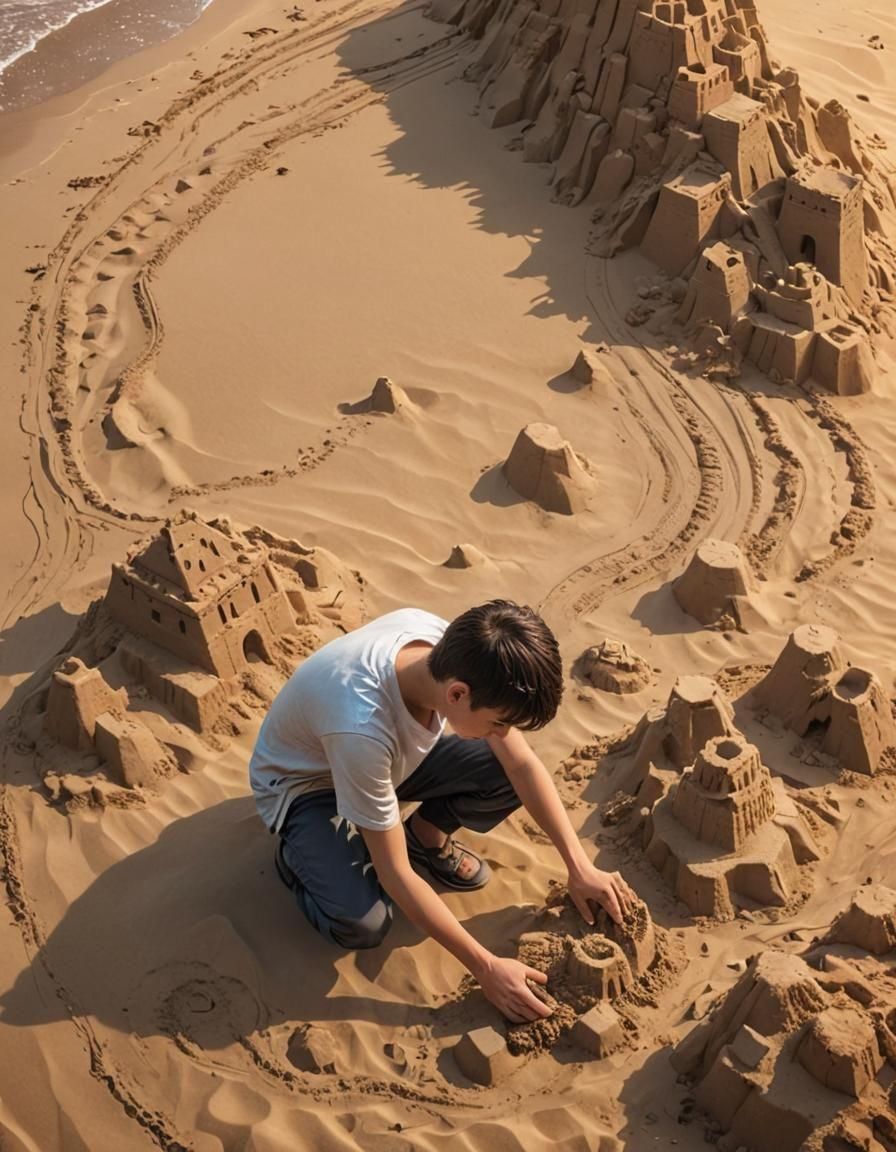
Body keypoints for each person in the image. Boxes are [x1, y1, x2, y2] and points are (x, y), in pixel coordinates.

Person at [249, 599, 634, 1023]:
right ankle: (297, 859)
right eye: (498, 723)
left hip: (383, 764)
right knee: (365, 923)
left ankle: (423, 836)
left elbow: (522, 765)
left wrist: (579, 867)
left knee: (506, 770)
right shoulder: (362, 729)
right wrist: (486, 967)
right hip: (307, 784)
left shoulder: (444, 643)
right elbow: (395, 875)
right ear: (457, 694)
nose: (503, 734)